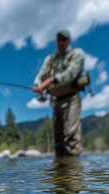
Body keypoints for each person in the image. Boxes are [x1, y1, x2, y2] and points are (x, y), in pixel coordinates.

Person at [32, 29, 85, 157]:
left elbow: (70, 74)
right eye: (59, 39)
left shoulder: (77, 54)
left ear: (69, 41)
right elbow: (40, 75)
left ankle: (73, 174)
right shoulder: (50, 59)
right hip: (56, 101)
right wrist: (39, 84)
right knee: (58, 141)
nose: (61, 42)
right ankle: (60, 174)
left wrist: (49, 81)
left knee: (71, 138)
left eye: (64, 39)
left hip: (71, 98)